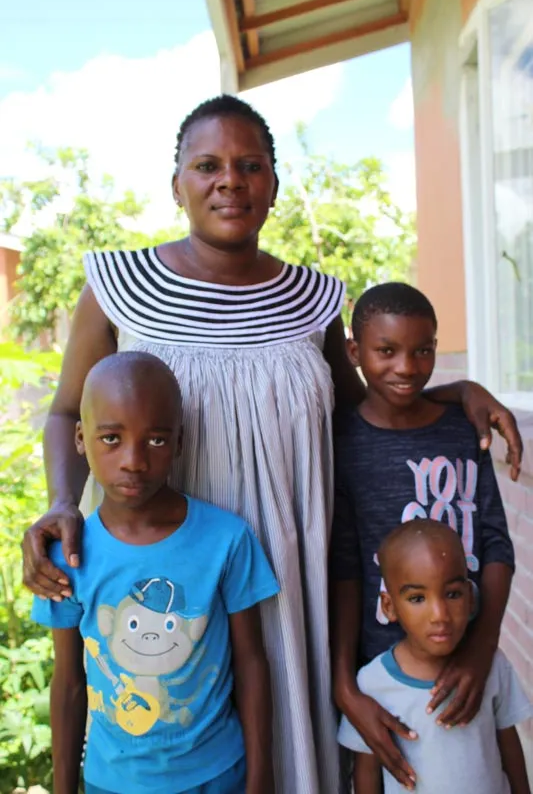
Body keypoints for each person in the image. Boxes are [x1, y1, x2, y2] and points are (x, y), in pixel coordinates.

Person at [22, 95, 522, 794]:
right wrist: (59, 505)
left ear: (273, 187)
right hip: (166, 575)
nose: (230, 179)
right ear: (177, 184)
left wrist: (456, 392)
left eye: (249, 165)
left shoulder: (312, 301)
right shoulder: (118, 288)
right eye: (207, 165)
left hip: (289, 585)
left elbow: (364, 411)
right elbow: (66, 414)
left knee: (278, 751)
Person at [31, 351, 279, 794]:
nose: (134, 461)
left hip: (217, 775)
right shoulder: (67, 555)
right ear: (80, 439)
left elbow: (252, 663)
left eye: (157, 441)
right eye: (111, 438)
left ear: (180, 443)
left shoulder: (226, 540)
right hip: (113, 781)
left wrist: (261, 780)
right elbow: (69, 682)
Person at [330, 282, 516, 789]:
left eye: (423, 350)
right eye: (386, 351)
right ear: (355, 352)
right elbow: (345, 566)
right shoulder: (342, 440)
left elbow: (496, 542)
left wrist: (481, 647)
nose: (407, 368)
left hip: (467, 652)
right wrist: (346, 682)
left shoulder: (461, 428)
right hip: (387, 667)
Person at [337, 519, 532, 794]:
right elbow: (367, 770)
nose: (440, 615)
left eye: (452, 594)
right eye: (417, 598)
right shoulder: (372, 683)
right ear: (389, 607)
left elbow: (508, 744)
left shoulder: (490, 666)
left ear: (471, 598)